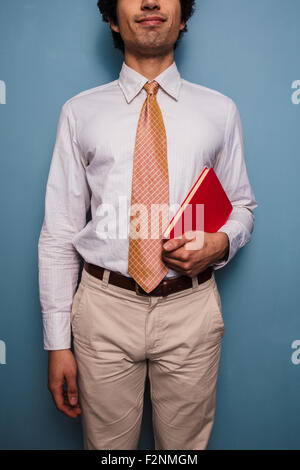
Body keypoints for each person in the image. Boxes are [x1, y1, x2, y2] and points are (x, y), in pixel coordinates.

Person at [38, 0, 258, 450]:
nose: (151, 2)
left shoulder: (220, 110)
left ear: (182, 15)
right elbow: (59, 232)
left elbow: (243, 206)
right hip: (103, 308)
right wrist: (57, 343)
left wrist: (221, 242)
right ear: (113, 18)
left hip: (190, 310)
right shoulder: (80, 112)